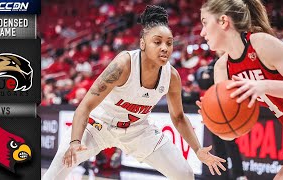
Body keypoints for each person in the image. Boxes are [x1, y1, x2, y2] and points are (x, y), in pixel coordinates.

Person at [42, 5, 226, 180]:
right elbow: (85, 106)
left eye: (169, 43)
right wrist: (75, 142)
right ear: (143, 44)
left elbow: (178, 117)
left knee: (185, 174)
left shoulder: (172, 76)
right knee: (57, 168)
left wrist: (197, 149)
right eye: (157, 42)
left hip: (137, 131)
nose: (164, 47)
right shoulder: (123, 65)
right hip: (98, 125)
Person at [197, 0, 283, 179]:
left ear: (223, 21)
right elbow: (231, 134)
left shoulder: (260, 43)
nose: (202, 32)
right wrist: (215, 119)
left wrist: (263, 85)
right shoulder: (222, 68)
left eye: (205, 23)